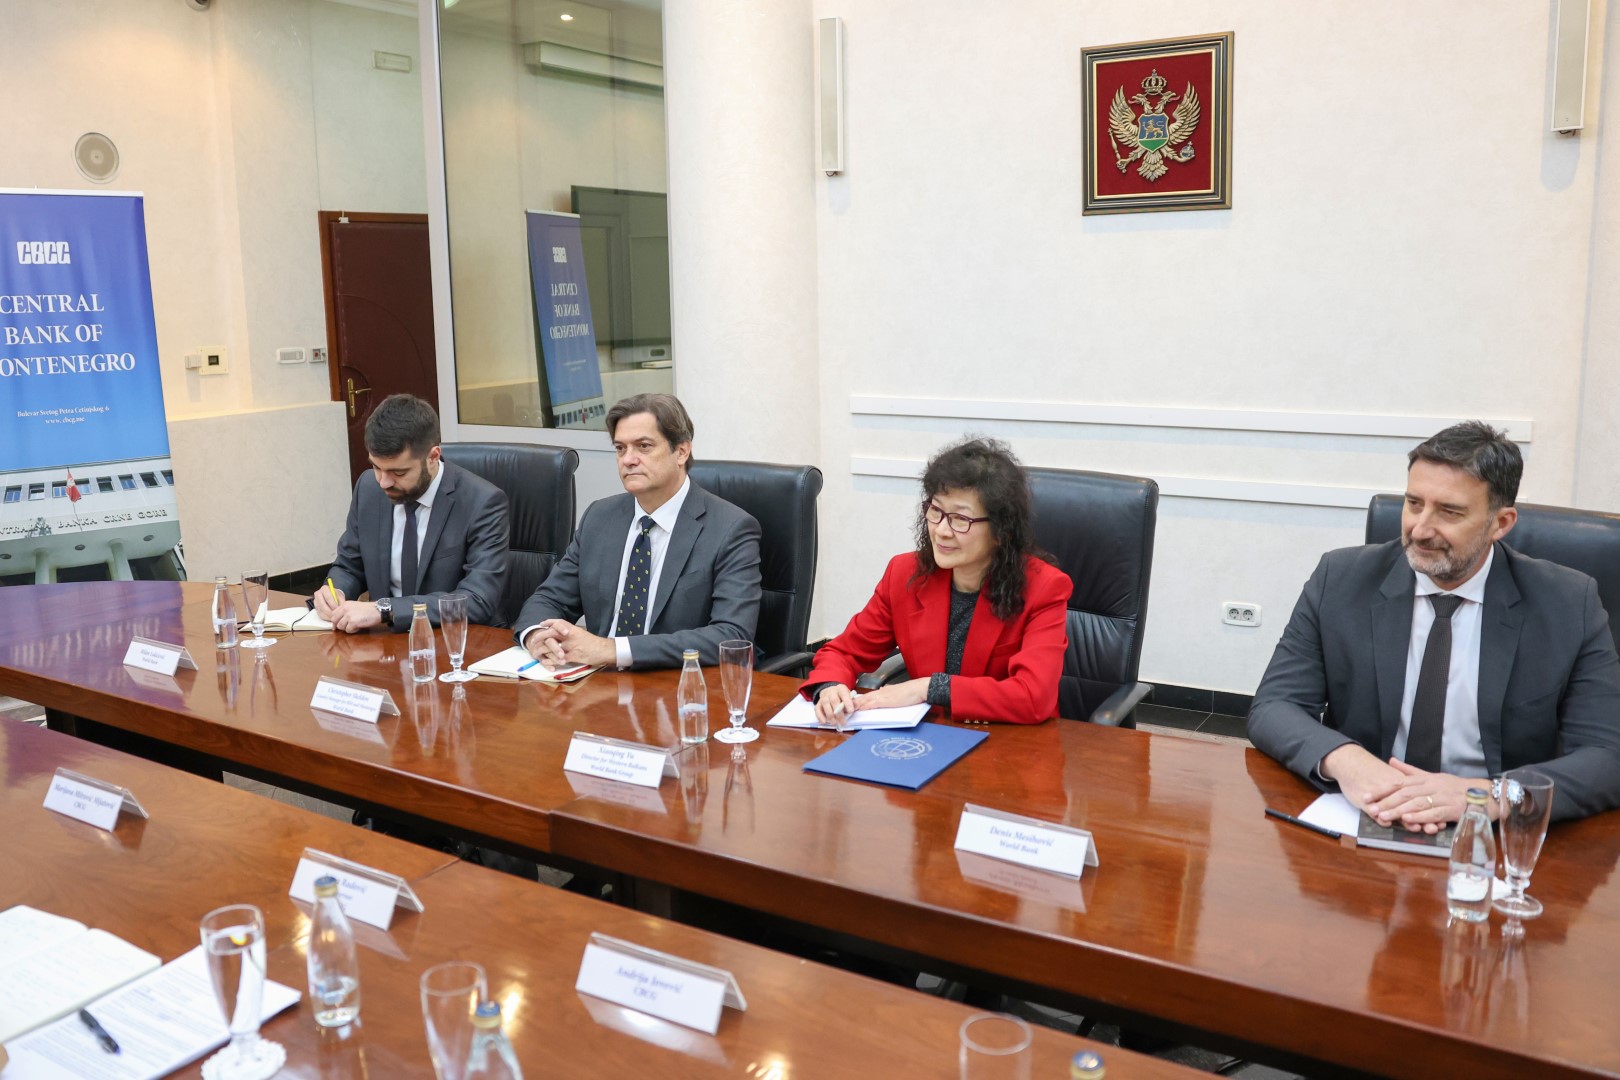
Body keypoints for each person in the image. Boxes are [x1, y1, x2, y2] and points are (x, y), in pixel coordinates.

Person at [1248, 421, 1620, 826]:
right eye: (1413, 503)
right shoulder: (1340, 579)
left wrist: (1490, 795)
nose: (1420, 529)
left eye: (1449, 512)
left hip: (1490, 830)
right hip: (1370, 812)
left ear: (1501, 523)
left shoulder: (1568, 603)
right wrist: (1348, 761)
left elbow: (1607, 756)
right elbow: (1274, 706)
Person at [801, 437, 1070, 726]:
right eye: (936, 511)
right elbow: (843, 652)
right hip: (927, 737)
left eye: (960, 519)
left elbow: (1033, 697)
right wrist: (830, 687)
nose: (941, 530)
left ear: (1001, 531)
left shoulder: (1044, 588)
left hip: (1012, 742)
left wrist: (928, 688)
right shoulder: (905, 574)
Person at [515, 393, 761, 669]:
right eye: (620, 448)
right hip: (594, 679)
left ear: (681, 451)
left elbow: (731, 636)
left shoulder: (730, 529)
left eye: (643, 446)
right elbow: (549, 598)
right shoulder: (599, 517)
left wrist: (612, 650)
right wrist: (537, 635)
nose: (628, 460)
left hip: (674, 681)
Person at [316, 394, 509, 632]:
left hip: (455, 639)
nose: (384, 482)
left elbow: (478, 599)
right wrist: (335, 591)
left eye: (398, 472)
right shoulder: (368, 488)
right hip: (385, 641)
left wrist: (385, 610)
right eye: (376, 467)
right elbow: (349, 566)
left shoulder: (482, 503)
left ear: (433, 457)